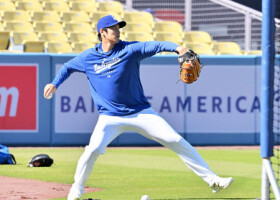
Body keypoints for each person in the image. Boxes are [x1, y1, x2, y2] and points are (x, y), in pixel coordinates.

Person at [44, 15, 233, 200]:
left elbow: (157, 45)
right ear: (102, 32)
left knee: (174, 139)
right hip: (109, 117)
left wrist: (179, 48)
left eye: (119, 28)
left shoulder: (129, 49)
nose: (118, 31)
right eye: (114, 28)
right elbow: (67, 67)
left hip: (140, 112)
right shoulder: (88, 57)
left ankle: (212, 180)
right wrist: (54, 83)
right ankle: (75, 191)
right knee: (92, 150)